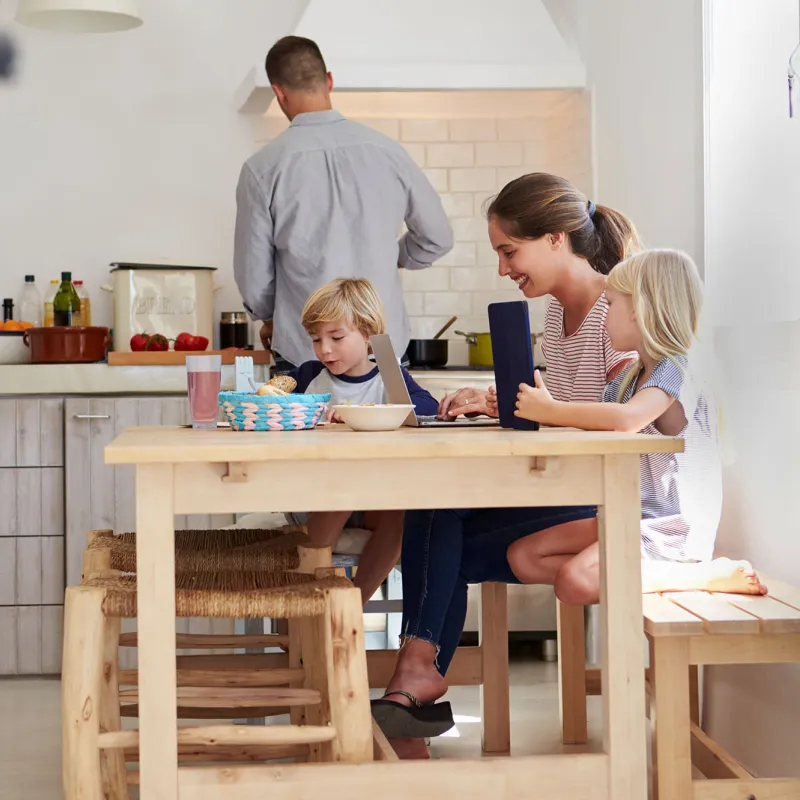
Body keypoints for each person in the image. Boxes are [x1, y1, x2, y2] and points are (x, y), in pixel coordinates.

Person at [374, 173, 642, 757]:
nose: (503, 268)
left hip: (604, 496)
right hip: (564, 485)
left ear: (554, 239)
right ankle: (414, 678)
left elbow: (620, 419)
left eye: (508, 251)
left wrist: (545, 409)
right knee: (435, 515)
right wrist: (498, 401)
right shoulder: (557, 318)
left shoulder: (616, 311)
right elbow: (563, 411)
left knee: (439, 533)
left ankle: (414, 678)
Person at [508, 249, 767, 600]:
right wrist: (531, 407)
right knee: (522, 557)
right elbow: (593, 425)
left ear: (640, 310)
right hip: (632, 515)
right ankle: (636, 574)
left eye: (611, 304)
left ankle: (701, 575)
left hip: (672, 531)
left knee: (574, 581)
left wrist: (552, 410)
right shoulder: (625, 382)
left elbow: (628, 420)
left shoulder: (679, 366)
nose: (603, 318)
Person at [233, 36, 453, 373]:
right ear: (329, 81)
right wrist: (394, 256)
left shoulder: (263, 167)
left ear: (279, 92)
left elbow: (255, 278)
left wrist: (268, 317)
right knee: (390, 427)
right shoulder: (388, 152)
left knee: (305, 428)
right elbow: (437, 237)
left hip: (305, 353)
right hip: (383, 351)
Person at [283, 277, 438, 604]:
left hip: (374, 501)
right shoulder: (310, 376)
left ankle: (353, 604)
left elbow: (427, 407)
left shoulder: (389, 374)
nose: (324, 349)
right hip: (317, 497)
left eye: (336, 337)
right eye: (315, 339)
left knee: (405, 509)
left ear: (368, 334)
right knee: (345, 486)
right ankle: (297, 604)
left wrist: (378, 412)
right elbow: (275, 407)